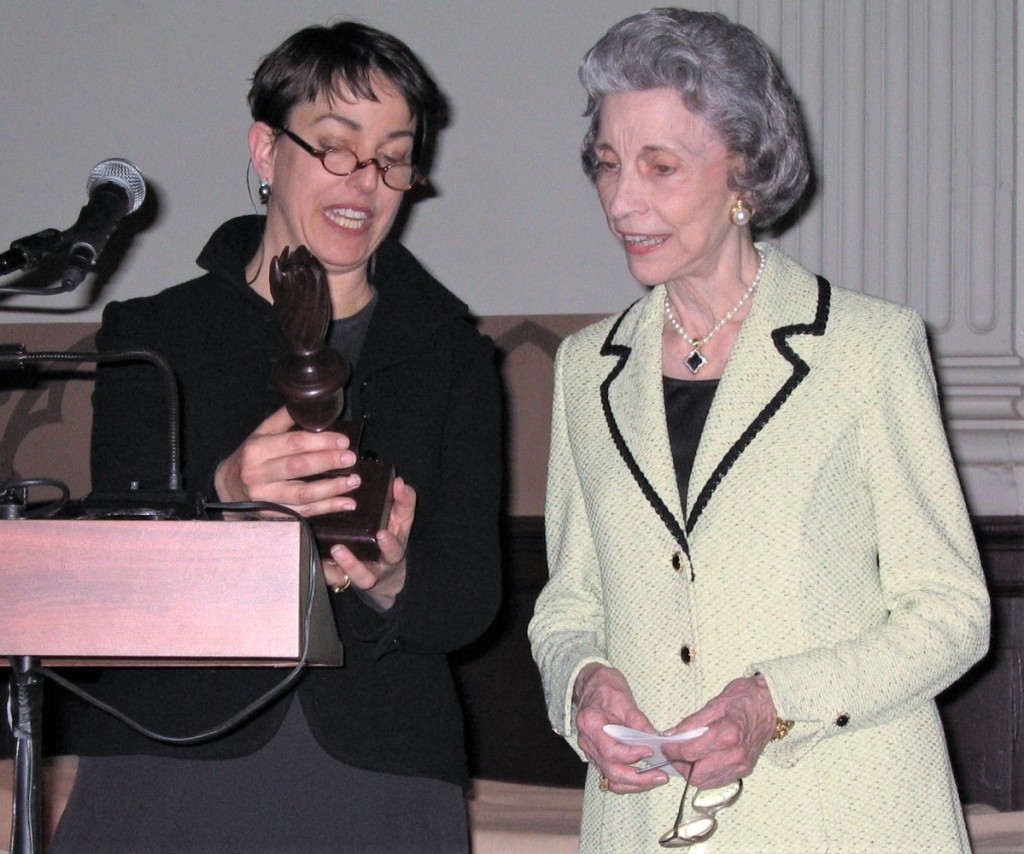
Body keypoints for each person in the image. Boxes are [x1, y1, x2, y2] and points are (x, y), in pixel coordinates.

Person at [528, 8, 989, 852]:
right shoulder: (586, 369)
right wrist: (583, 684)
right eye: (607, 165)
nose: (622, 200)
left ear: (744, 173)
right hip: (640, 825)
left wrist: (772, 701)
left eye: (660, 166)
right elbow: (568, 605)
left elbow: (953, 614)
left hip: (840, 818)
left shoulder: (867, 349)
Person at [45, 20, 501, 852]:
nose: (365, 180)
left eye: (393, 157)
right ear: (266, 148)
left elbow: (473, 594)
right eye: (336, 146)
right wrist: (223, 491)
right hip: (172, 752)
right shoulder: (155, 335)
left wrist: (394, 576)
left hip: (384, 764)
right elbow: (107, 575)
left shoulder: (454, 354)